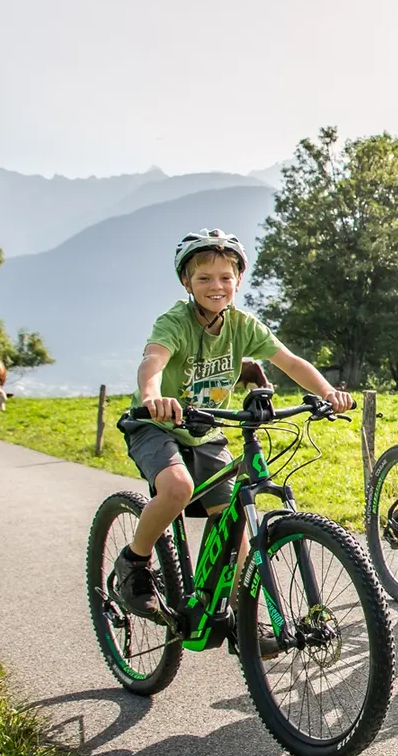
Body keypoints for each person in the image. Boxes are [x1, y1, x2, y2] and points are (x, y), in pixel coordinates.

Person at [112, 229, 352, 619]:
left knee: (235, 515)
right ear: (186, 282)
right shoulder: (175, 322)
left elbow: (290, 362)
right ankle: (134, 562)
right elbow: (152, 361)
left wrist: (328, 393)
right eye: (204, 278)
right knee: (177, 488)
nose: (216, 286)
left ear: (238, 280)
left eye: (226, 277)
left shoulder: (243, 325)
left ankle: (244, 617)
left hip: (206, 428)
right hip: (156, 425)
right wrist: (153, 397)